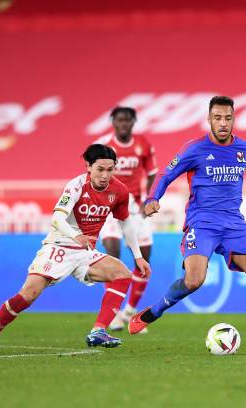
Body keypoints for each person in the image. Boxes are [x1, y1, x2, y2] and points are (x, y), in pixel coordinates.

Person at [128, 96, 246, 355]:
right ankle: (153, 312)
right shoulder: (194, 149)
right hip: (202, 222)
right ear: (209, 119)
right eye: (218, 118)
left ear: (234, 119)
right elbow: (166, 174)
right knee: (194, 280)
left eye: (228, 118)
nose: (223, 123)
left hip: (234, 222)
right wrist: (153, 198)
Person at [0, 144, 151, 354]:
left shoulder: (119, 190)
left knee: (121, 274)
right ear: (88, 167)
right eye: (100, 169)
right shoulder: (76, 186)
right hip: (59, 246)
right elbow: (57, 218)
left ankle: (98, 331)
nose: (105, 175)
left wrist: (138, 256)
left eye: (110, 169)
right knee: (28, 295)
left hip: (84, 252)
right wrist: (76, 235)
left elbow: (125, 223)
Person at [95, 107, 158, 332]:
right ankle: (113, 314)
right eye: (120, 120)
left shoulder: (143, 144)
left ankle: (129, 313)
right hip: (110, 209)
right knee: (113, 259)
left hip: (136, 211)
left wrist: (149, 198)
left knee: (144, 262)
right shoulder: (103, 145)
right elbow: (91, 174)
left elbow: (152, 173)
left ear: (133, 122)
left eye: (128, 121)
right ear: (113, 121)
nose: (124, 124)